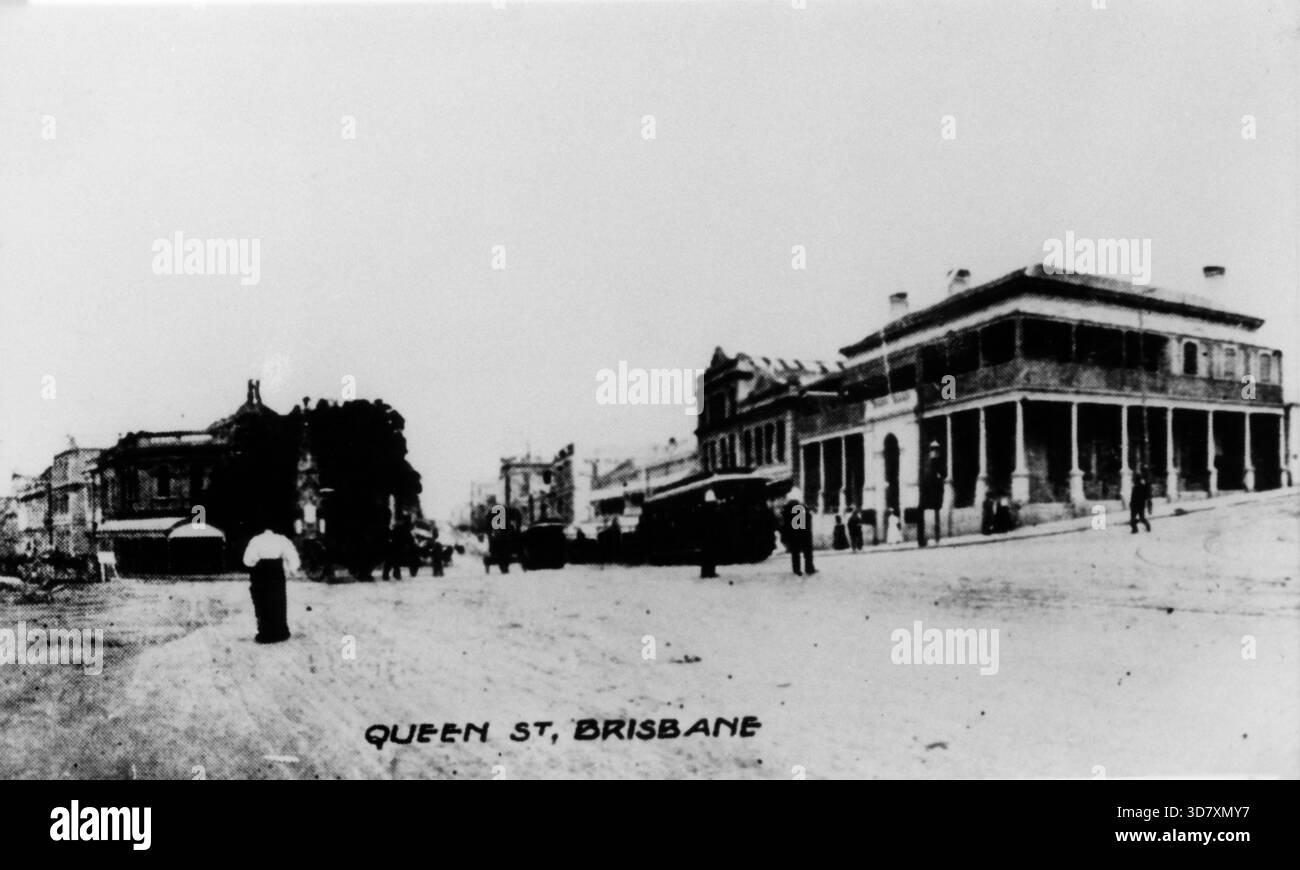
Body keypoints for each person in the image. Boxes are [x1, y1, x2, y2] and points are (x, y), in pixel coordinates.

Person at [242, 517, 300, 644]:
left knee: (262, 602)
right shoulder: (281, 540)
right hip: (276, 572)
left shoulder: (256, 540)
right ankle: (280, 631)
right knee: (278, 601)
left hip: (261, 572)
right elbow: (292, 556)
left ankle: (265, 632)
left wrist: (254, 564)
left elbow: (248, 560)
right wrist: (292, 569)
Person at [782, 487, 816, 576]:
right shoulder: (803, 507)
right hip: (805, 533)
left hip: (793, 534)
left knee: (795, 553)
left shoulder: (787, 508)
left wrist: (786, 535)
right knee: (807, 552)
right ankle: (809, 568)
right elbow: (808, 519)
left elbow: (785, 523)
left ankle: (797, 570)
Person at [917, 440, 945, 547]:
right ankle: (933, 538)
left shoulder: (926, 460)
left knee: (923, 511)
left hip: (927, 490)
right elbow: (941, 473)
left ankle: (923, 540)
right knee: (934, 511)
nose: (934, 451)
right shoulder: (934, 459)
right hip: (931, 490)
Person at [698, 489, 720, 578]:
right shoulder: (714, 509)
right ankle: (711, 572)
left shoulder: (703, 509)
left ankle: (704, 572)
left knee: (705, 555)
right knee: (712, 554)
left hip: (705, 535)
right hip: (712, 534)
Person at [383, 514, 413, 580]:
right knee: (394, 562)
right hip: (397, 548)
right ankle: (394, 575)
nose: (398, 522)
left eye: (399, 521)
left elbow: (391, 535)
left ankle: (388, 575)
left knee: (390, 562)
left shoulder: (399, 529)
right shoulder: (403, 529)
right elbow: (410, 539)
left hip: (396, 547)